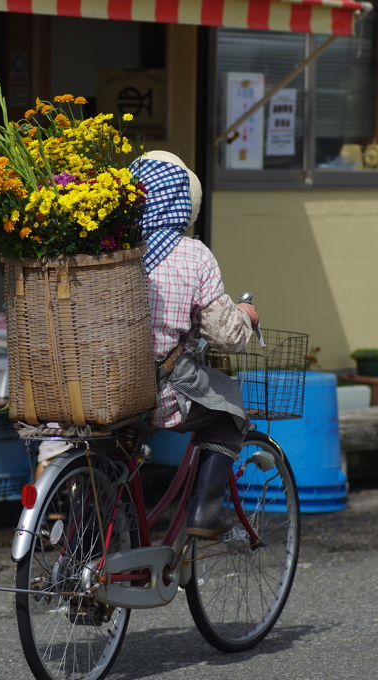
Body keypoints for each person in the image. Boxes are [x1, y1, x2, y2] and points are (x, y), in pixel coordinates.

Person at [129, 150, 258, 539]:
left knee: (116, 452)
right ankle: (204, 512)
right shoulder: (192, 254)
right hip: (156, 390)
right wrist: (246, 316)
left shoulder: (107, 248)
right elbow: (226, 336)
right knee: (229, 411)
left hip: (93, 387)